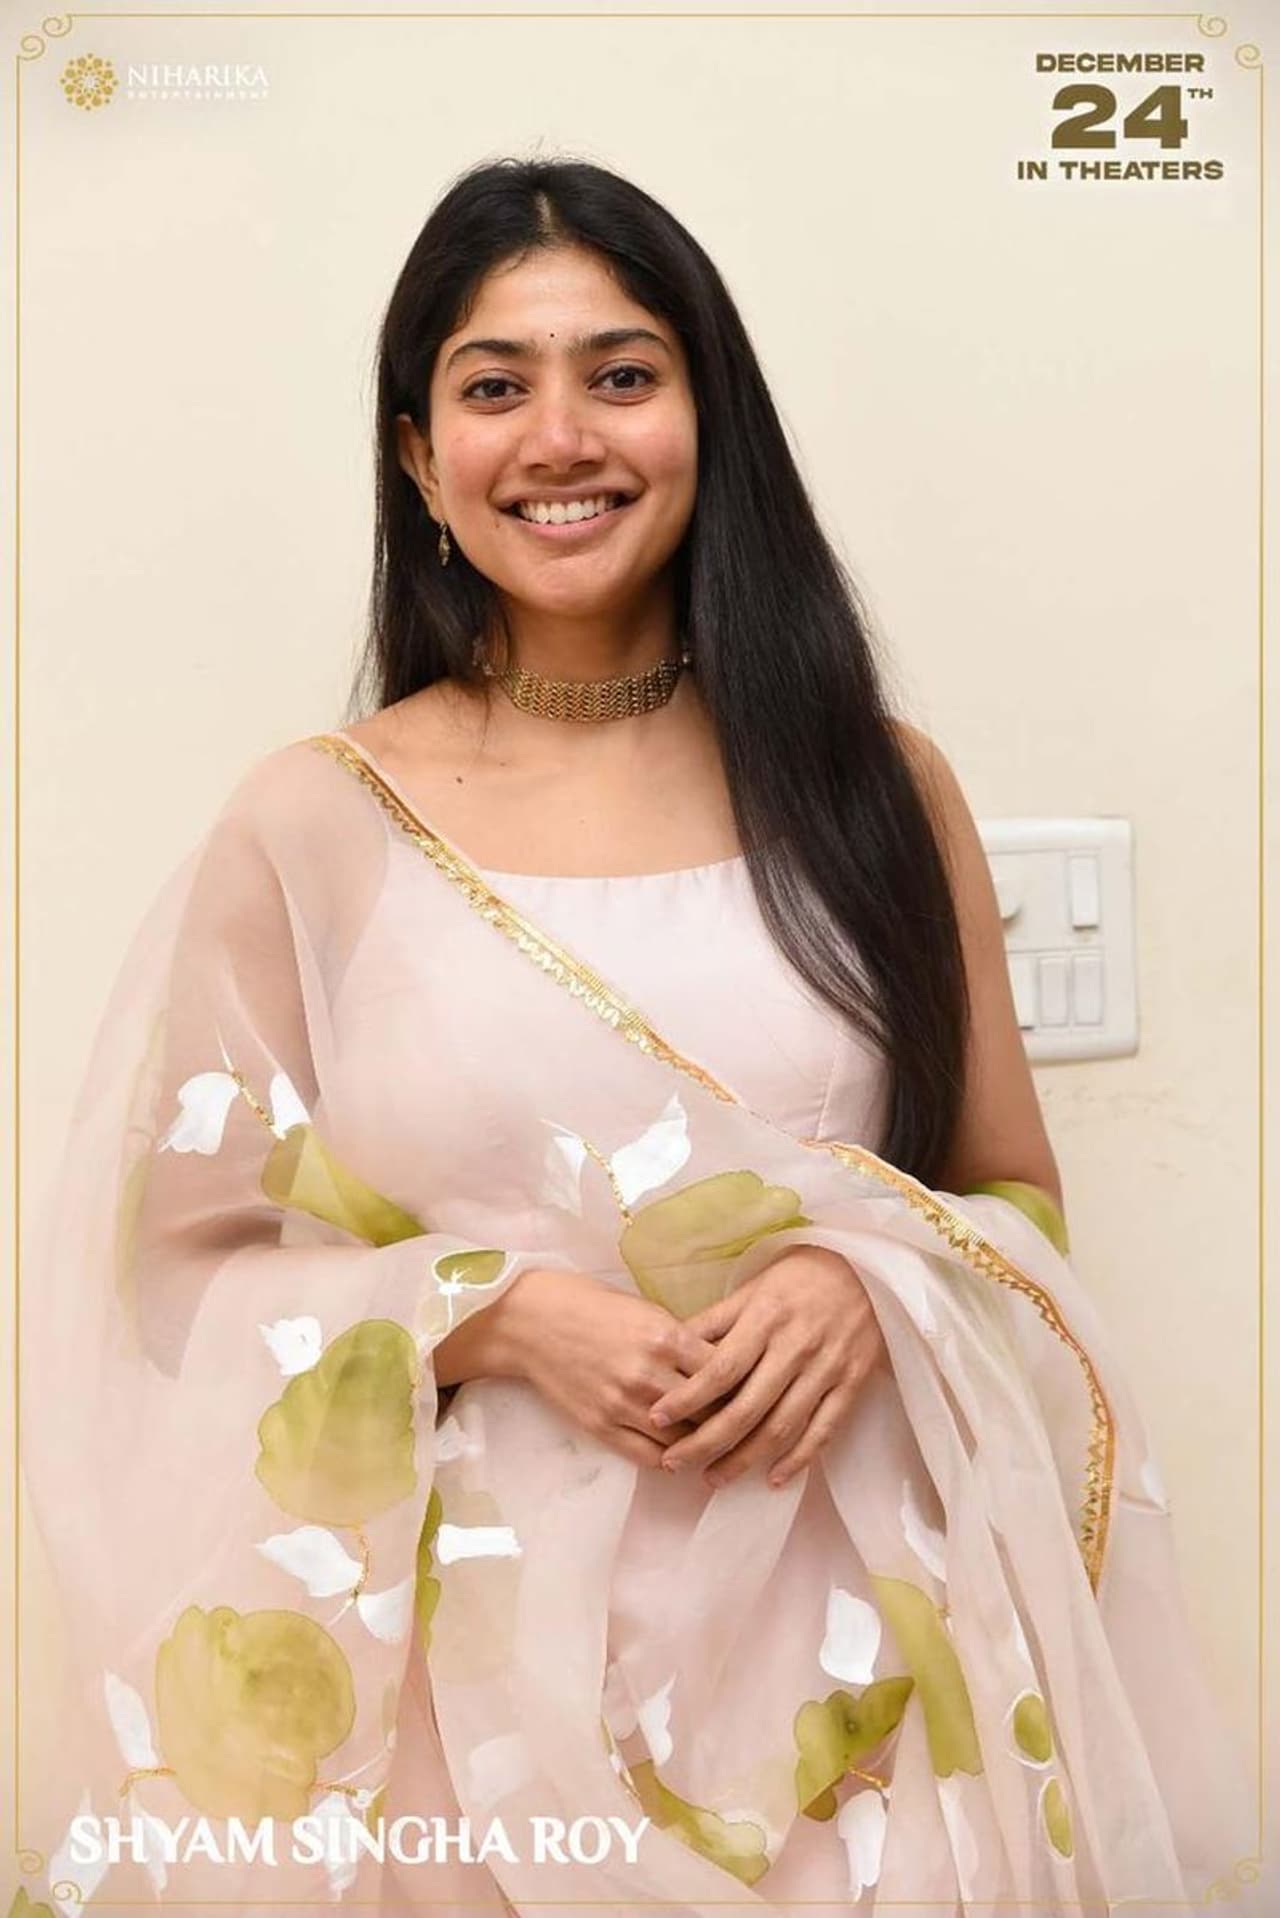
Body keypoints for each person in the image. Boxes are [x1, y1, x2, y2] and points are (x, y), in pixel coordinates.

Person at [18, 155, 1257, 1918]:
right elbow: (174, 1279)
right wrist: (494, 1313)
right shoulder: (318, 822)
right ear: (417, 458)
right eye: (493, 387)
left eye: (621, 374)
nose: (561, 437)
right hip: (468, 1691)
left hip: (872, 1675)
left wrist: (863, 1282)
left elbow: (1014, 1198)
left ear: (706, 415)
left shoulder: (875, 789)